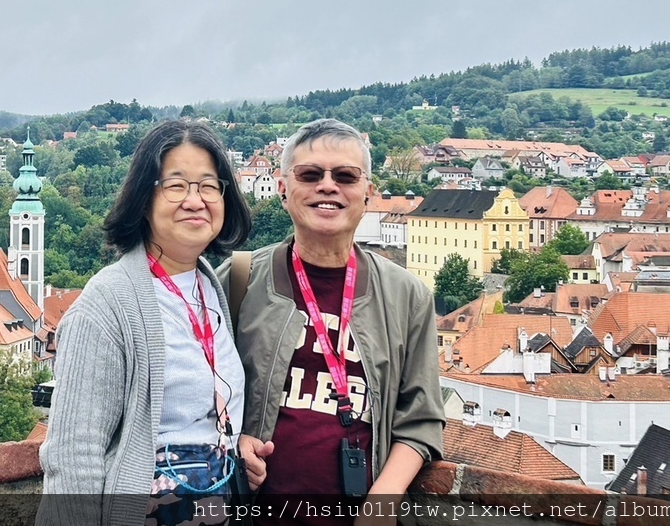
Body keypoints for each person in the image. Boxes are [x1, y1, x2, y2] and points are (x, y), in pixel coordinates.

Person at [221, 119, 444, 525]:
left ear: (367, 192)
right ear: (284, 188)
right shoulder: (239, 280)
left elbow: (422, 420)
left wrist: (383, 500)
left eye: (345, 176)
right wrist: (233, 442)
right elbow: (195, 399)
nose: (328, 186)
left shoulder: (407, 296)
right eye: (310, 174)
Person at [38, 120, 253, 526]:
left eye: (209, 186)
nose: (195, 200)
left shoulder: (211, 286)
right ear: (144, 198)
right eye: (176, 185)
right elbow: (72, 457)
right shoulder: (107, 303)